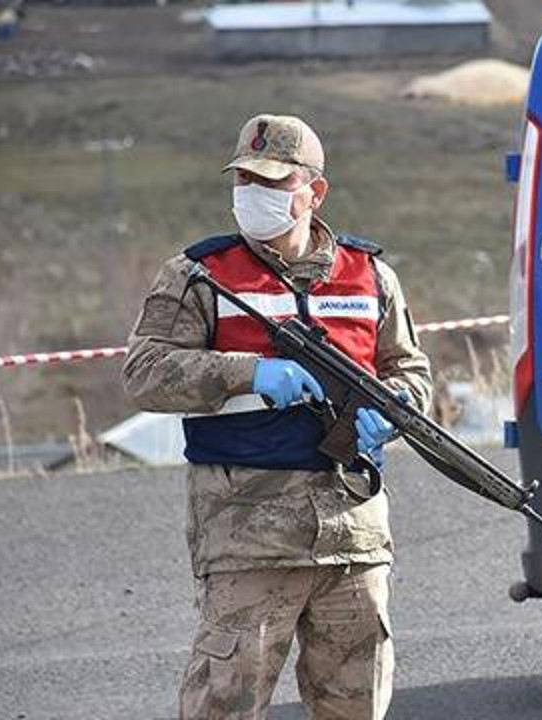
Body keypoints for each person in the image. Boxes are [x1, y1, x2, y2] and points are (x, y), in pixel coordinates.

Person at [122, 113, 432, 719]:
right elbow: (145, 373)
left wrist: (396, 408)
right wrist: (249, 373)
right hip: (248, 534)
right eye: (245, 180)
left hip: (352, 532)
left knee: (356, 706)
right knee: (224, 705)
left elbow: (410, 370)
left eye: (272, 182)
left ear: (314, 192)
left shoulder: (370, 276)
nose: (253, 193)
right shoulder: (200, 276)